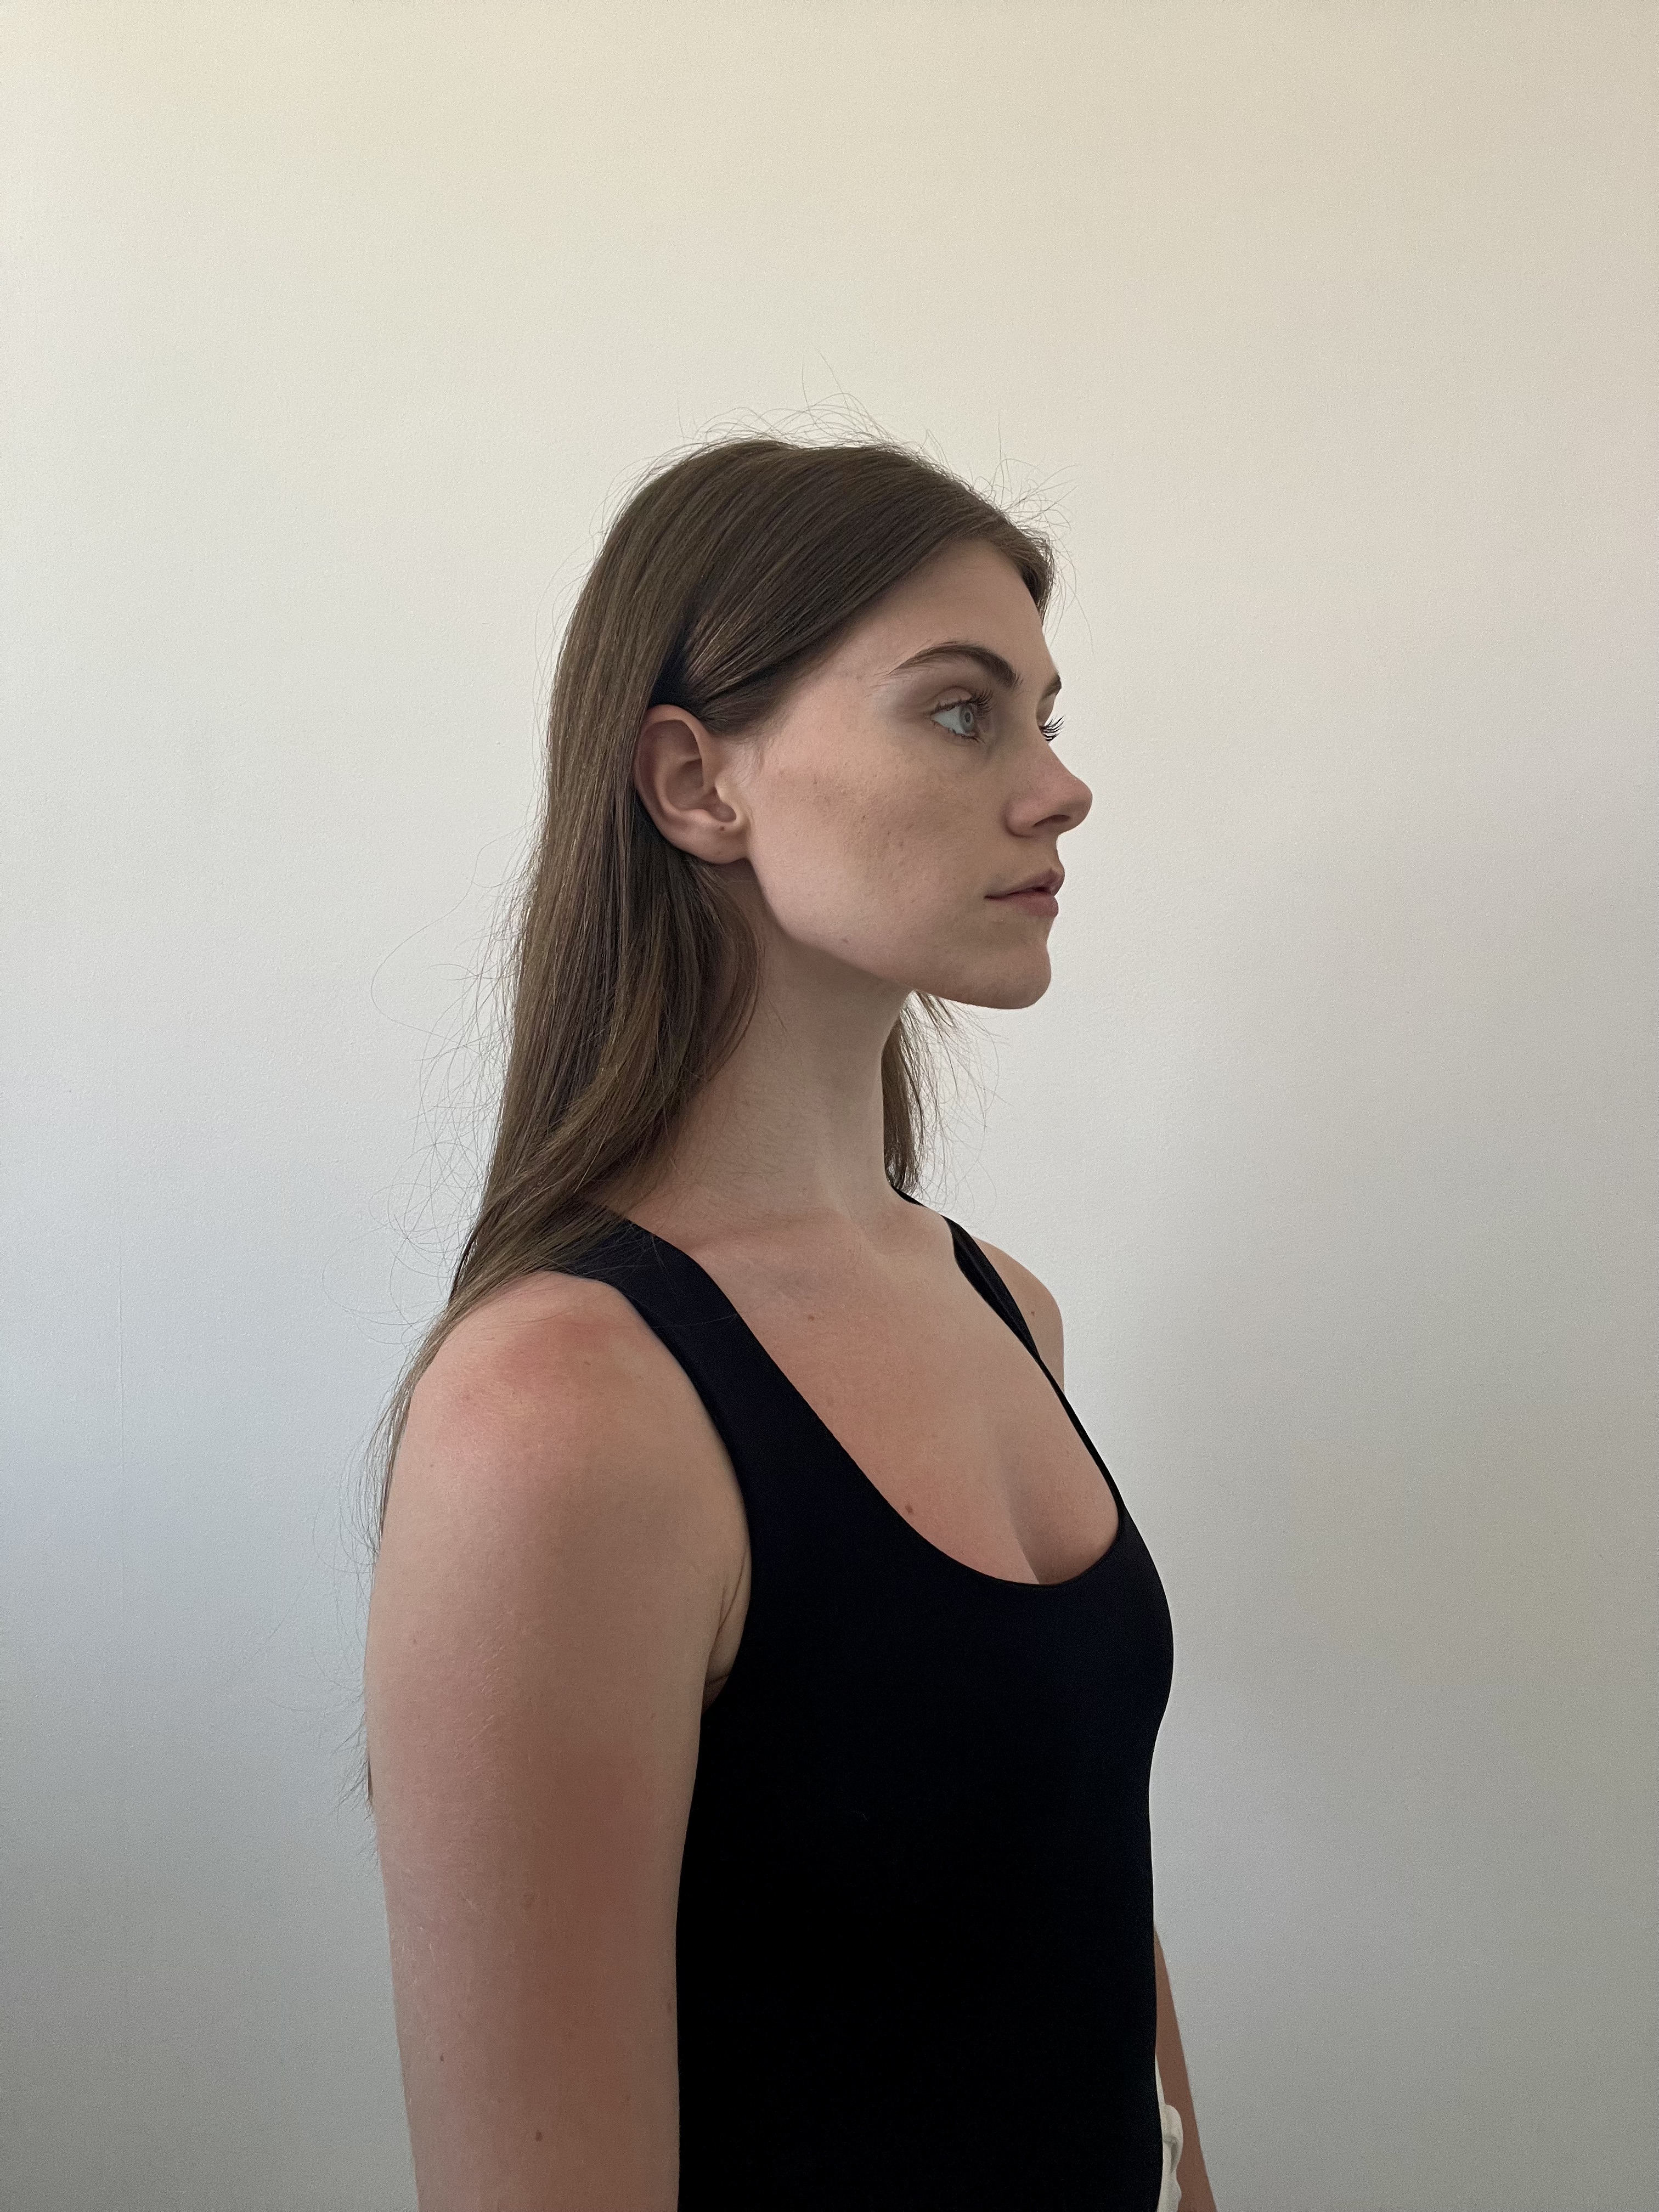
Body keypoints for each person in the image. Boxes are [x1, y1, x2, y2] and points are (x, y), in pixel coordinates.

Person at [362, 434, 1216, 2210]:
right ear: (697, 783)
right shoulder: (560, 1412)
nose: (1062, 789)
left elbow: (1071, 1901)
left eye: (1048, 717)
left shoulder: (1007, 1311)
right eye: (963, 713)